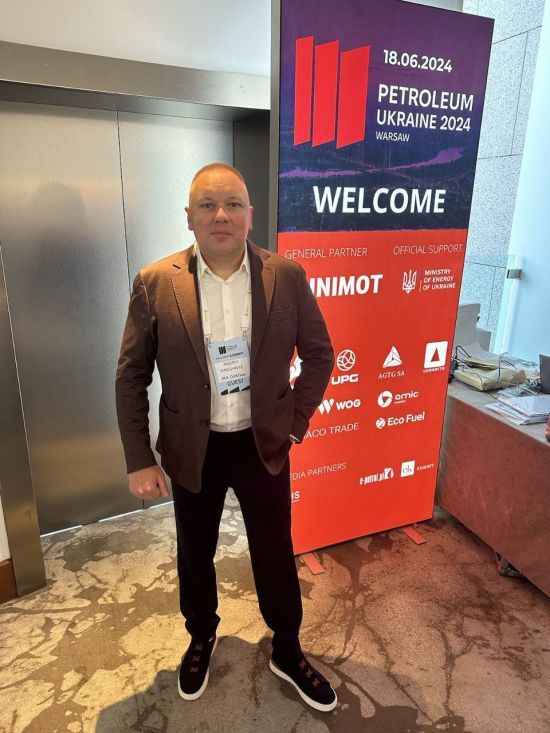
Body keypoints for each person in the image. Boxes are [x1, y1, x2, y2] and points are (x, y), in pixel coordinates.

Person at [115, 163, 336, 712]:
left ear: (249, 215)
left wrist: (294, 422)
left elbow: (320, 355)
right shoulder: (155, 282)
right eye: (207, 205)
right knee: (195, 550)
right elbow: (131, 374)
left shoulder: (286, 275)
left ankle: (287, 647)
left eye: (233, 204)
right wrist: (140, 458)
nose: (221, 215)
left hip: (263, 444)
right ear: (189, 216)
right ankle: (201, 636)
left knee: (274, 549)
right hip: (194, 447)